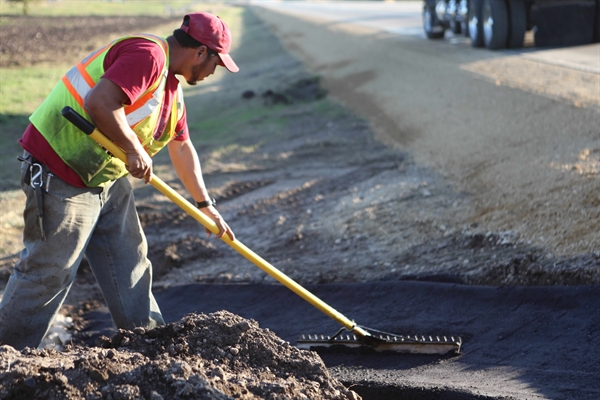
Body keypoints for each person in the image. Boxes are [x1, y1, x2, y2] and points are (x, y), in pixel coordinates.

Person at [0, 12, 238, 350]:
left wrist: (206, 205)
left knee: (130, 262)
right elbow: (99, 102)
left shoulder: (172, 89)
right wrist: (132, 148)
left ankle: (150, 345)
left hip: (105, 178)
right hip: (61, 166)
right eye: (217, 62)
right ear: (200, 52)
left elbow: (182, 147)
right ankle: (8, 356)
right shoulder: (149, 54)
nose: (214, 71)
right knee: (49, 270)